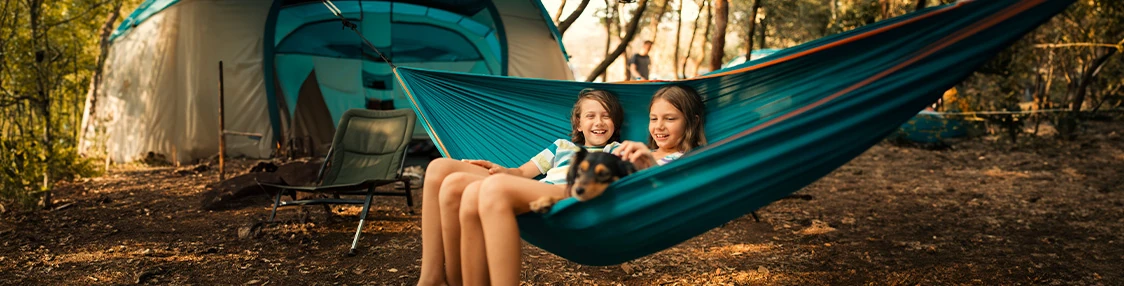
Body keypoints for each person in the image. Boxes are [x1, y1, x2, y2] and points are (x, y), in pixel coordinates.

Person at [461, 85, 707, 285]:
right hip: (569, 194)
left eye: (670, 118)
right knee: (471, 191)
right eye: (653, 118)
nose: (658, 126)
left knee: (494, 189)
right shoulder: (633, 149)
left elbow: (665, 191)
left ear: (692, 121)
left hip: (589, 203)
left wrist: (645, 164)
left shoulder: (684, 159)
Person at [417, 89, 625, 286]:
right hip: (531, 188)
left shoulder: (616, 151)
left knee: (475, 187)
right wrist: (498, 169)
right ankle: (432, 278)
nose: (599, 122)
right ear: (578, 124)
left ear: (615, 123)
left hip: (566, 197)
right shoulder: (561, 146)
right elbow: (521, 173)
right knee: (440, 169)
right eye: (590, 116)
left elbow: (642, 168)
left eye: (606, 116)